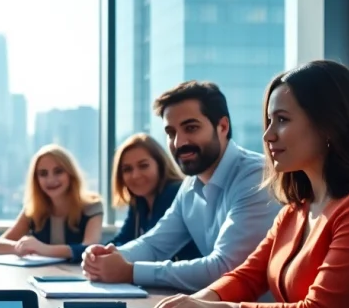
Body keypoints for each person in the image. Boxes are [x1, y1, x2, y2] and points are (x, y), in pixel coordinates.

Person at [148, 61, 349, 308]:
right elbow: (247, 277)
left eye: (282, 120)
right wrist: (194, 304)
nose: (269, 136)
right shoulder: (296, 209)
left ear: (329, 124)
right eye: (269, 122)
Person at [82, 81, 278, 291]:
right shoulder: (190, 186)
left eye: (190, 128)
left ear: (222, 127)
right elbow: (154, 244)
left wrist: (129, 271)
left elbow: (226, 269)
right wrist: (107, 257)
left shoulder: (256, 176)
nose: (178, 143)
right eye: (171, 133)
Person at [0, 145, 104, 262]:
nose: (51, 180)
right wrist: (20, 248)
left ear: (70, 174)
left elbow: (89, 248)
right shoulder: (33, 209)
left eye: (58, 171)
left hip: (80, 276)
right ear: (36, 180)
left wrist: (43, 249)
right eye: (43, 174)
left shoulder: (93, 206)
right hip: (40, 275)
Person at [107, 133, 199, 261]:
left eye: (143, 166)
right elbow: (122, 241)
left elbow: (152, 248)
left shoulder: (174, 193)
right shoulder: (139, 202)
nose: (135, 175)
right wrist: (91, 253)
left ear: (160, 165)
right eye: (127, 169)